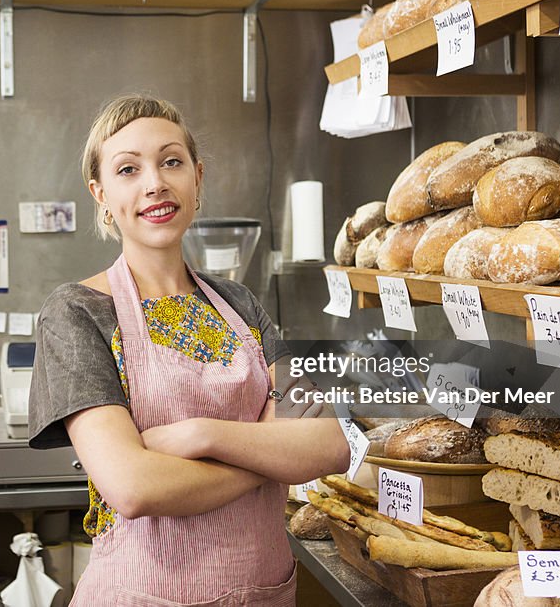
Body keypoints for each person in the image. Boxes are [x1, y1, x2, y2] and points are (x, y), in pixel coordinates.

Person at [28, 94, 350, 606]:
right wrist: (270, 451)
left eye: (171, 161)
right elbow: (134, 488)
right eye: (128, 169)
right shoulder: (77, 312)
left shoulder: (240, 303)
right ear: (101, 194)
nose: (154, 182)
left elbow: (331, 443)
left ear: (196, 179)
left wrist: (200, 435)